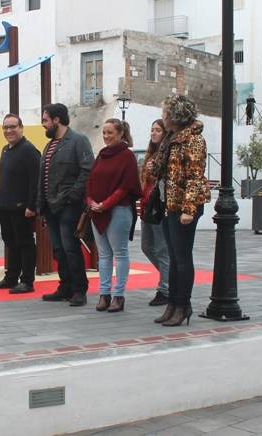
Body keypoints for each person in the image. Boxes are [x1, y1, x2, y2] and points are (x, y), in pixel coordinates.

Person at [150, 95, 211, 327]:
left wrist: (188, 210)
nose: (163, 117)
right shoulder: (170, 139)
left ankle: (183, 305)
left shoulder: (193, 140)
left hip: (184, 206)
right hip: (169, 204)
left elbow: (195, 177)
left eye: (166, 113)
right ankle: (172, 305)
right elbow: (160, 169)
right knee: (174, 257)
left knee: (182, 258)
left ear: (175, 116)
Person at [37, 103, 95, 307]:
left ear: (56, 120)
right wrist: (41, 204)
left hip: (69, 205)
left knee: (70, 247)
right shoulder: (49, 144)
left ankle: (79, 289)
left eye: (45, 119)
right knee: (58, 249)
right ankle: (66, 286)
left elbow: (87, 170)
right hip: (51, 206)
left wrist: (72, 196)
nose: (43, 124)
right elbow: (43, 177)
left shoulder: (78, 141)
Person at [86, 119, 141, 312]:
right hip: (97, 211)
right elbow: (90, 181)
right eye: (104, 133)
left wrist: (105, 204)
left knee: (120, 253)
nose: (106, 136)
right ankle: (104, 294)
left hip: (118, 210)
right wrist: (91, 202)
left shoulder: (127, 156)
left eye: (110, 133)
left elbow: (126, 186)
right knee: (103, 255)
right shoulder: (101, 155)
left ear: (120, 134)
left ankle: (118, 295)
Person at [0, 114, 40, 294]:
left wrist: (31, 206)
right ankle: (11, 278)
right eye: (6, 127)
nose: (9, 131)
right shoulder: (6, 149)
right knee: (10, 242)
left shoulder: (28, 150)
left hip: (22, 208)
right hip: (5, 206)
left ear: (21, 128)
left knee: (25, 243)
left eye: (13, 127)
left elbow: (36, 180)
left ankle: (27, 281)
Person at [140, 119, 171, 307]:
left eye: (158, 130)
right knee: (147, 247)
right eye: (152, 129)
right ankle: (171, 277)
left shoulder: (166, 155)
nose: (153, 133)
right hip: (147, 205)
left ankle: (165, 288)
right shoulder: (150, 155)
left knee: (161, 249)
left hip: (159, 206)